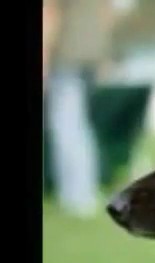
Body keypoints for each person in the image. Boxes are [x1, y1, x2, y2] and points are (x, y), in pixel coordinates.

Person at [43, 0, 114, 219]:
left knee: (67, 127)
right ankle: (85, 191)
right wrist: (104, 54)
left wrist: (44, 57)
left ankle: (78, 196)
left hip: (66, 55)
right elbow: (107, 12)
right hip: (91, 53)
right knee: (79, 125)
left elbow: (51, 14)